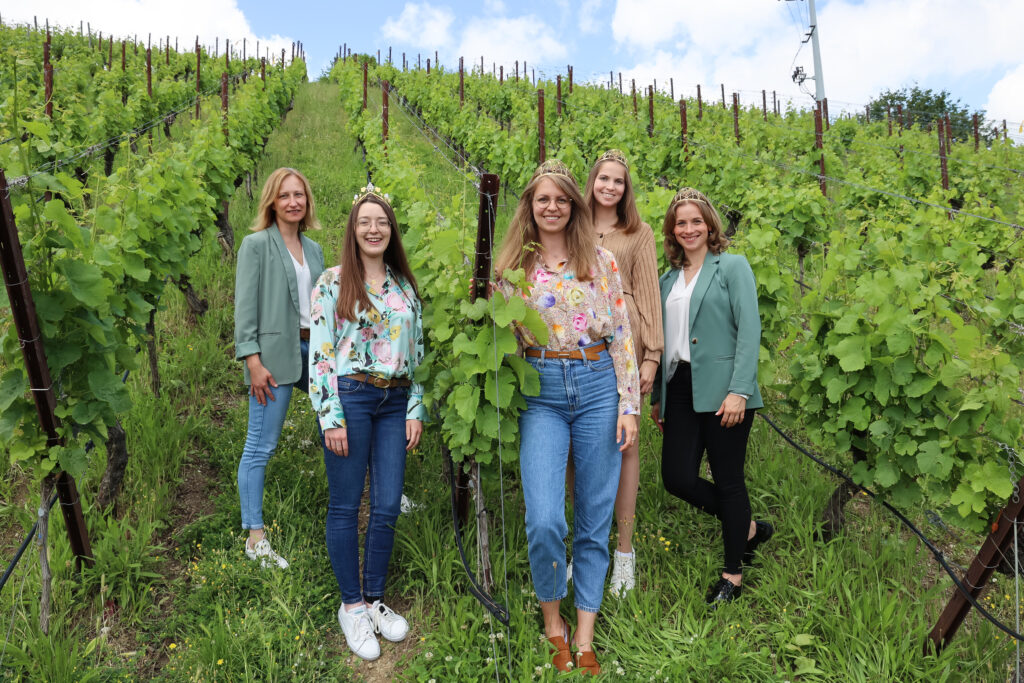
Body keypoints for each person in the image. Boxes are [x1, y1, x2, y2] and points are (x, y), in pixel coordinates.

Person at [493, 159, 639, 675]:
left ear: (574, 206)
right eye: (542, 199)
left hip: (597, 384)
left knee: (594, 515)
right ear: (529, 207)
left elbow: (621, 333)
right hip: (542, 391)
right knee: (545, 519)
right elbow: (502, 340)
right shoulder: (512, 269)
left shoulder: (600, 260)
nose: (552, 207)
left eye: (561, 199)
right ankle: (552, 620)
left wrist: (629, 406)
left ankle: (583, 632)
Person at [308, 184, 425, 661]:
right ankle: (351, 606)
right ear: (353, 230)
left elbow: (418, 353)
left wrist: (415, 408)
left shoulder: (404, 285)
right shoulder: (332, 282)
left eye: (381, 222)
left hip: (395, 401)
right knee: (344, 505)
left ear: (391, 229)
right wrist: (330, 416)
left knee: (387, 503)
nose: (373, 229)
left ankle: (374, 598)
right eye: (364, 222)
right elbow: (320, 353)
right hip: (351, 398)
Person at [650, 187, 773, 608]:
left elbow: (750, 329)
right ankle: (748, 528)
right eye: (680, 223)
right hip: (679, 386)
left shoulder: (732, 267)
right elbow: (664, 340)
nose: (689, 229)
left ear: (710, 225)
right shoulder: (667, 280)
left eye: (696, 221)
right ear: (672, 230)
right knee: (677, 478)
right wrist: (658, 395)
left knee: (728, 478)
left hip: (725, 390)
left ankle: (732, 575)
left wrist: (740, 390)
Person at [580, 149, 663, 596]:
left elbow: (649, 294)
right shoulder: (573, 225)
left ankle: (624, 552)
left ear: (626, 189)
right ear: (592, 181)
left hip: (625, 348)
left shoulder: (638, 232)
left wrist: (652, 356)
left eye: (619, 181)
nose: (610, 186)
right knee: (579, 448)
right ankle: (583, 546)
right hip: (580, 347)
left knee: (625, 443)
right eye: (604, 178)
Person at [234, 167, 325, 569]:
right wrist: (252, 360)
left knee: (340, 423)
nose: (293, 202)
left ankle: (360, 499)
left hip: (316, 351)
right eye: (285, 195)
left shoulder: (315, 249)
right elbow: (245, 308)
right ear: (272, 201)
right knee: (261, 445)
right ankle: (255, 537)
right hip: (273, 356)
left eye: (299, 195)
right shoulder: (255, 245)